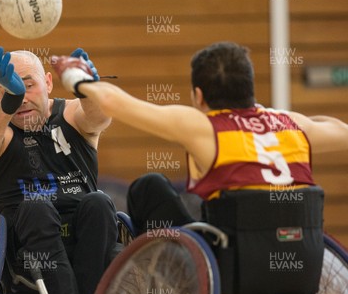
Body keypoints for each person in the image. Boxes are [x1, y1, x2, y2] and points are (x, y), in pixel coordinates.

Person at [51, 41, 348, 232]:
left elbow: (115, 103)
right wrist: (270, 115)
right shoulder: (291, 125)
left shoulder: (204, 127)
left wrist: (75, 76)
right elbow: (341, 131)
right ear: (250, 89)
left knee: (148, 187)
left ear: (199, 95)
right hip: (303, 266)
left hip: (233, 268)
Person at [0, 47, 118, 294]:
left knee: (100, 201)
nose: (22, 96)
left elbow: (99, 119)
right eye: (11, 89)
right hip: (26, 265)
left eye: (28, 84)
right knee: (36, 206)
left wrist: (87, 90)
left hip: (86, 251)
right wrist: (9, 104)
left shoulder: (72, 115)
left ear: (48, 82)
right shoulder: (0, 133)